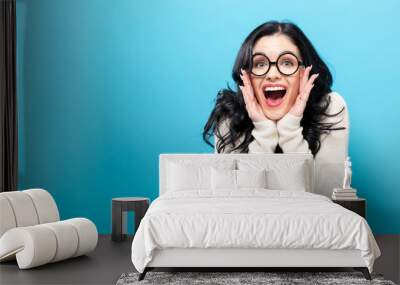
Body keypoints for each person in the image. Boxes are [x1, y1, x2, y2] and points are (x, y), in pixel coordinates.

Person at [203, 21, 349, 196]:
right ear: (247, 76)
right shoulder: (230, 116)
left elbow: (325, 200)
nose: (272, 75)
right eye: (259, 64)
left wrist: (290, 130)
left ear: (305, 72)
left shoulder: (330, 108)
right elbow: (236, 205)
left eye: (287, 62)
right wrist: (264, 132)